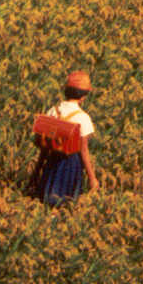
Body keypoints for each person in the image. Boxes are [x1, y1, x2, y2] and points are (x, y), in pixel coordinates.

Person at [32, 69, 98, 205]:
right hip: (70, 165)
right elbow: (84, 151)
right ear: (84, 96)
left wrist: (37, 170)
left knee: (46, 200)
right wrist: (92, 178)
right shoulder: (82, 118)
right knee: (65, 203)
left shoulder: (53, 111)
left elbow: (45, 146)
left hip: (51, 162)